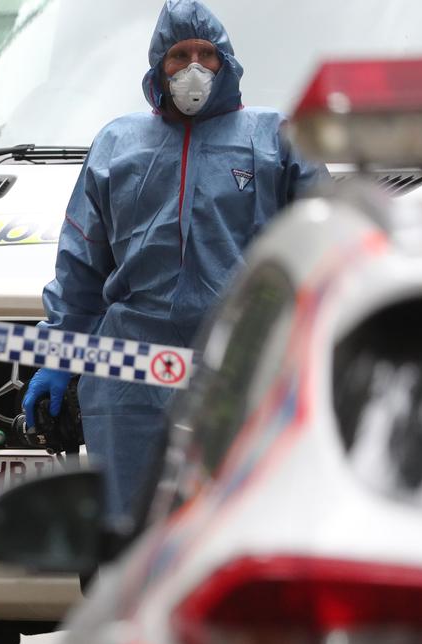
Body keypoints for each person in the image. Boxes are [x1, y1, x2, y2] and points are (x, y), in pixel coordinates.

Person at [23, 0, 323, 519]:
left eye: (206, 54)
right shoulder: (119, 145)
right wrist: (59, 355)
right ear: (157, 66)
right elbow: (82, 267)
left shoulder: (276, 140)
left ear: (226, 62)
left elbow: (325, 247)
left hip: (244, 365)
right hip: (128, 372)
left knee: (235, 526)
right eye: (178, 55)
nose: (193, 68)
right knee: (125, 528)